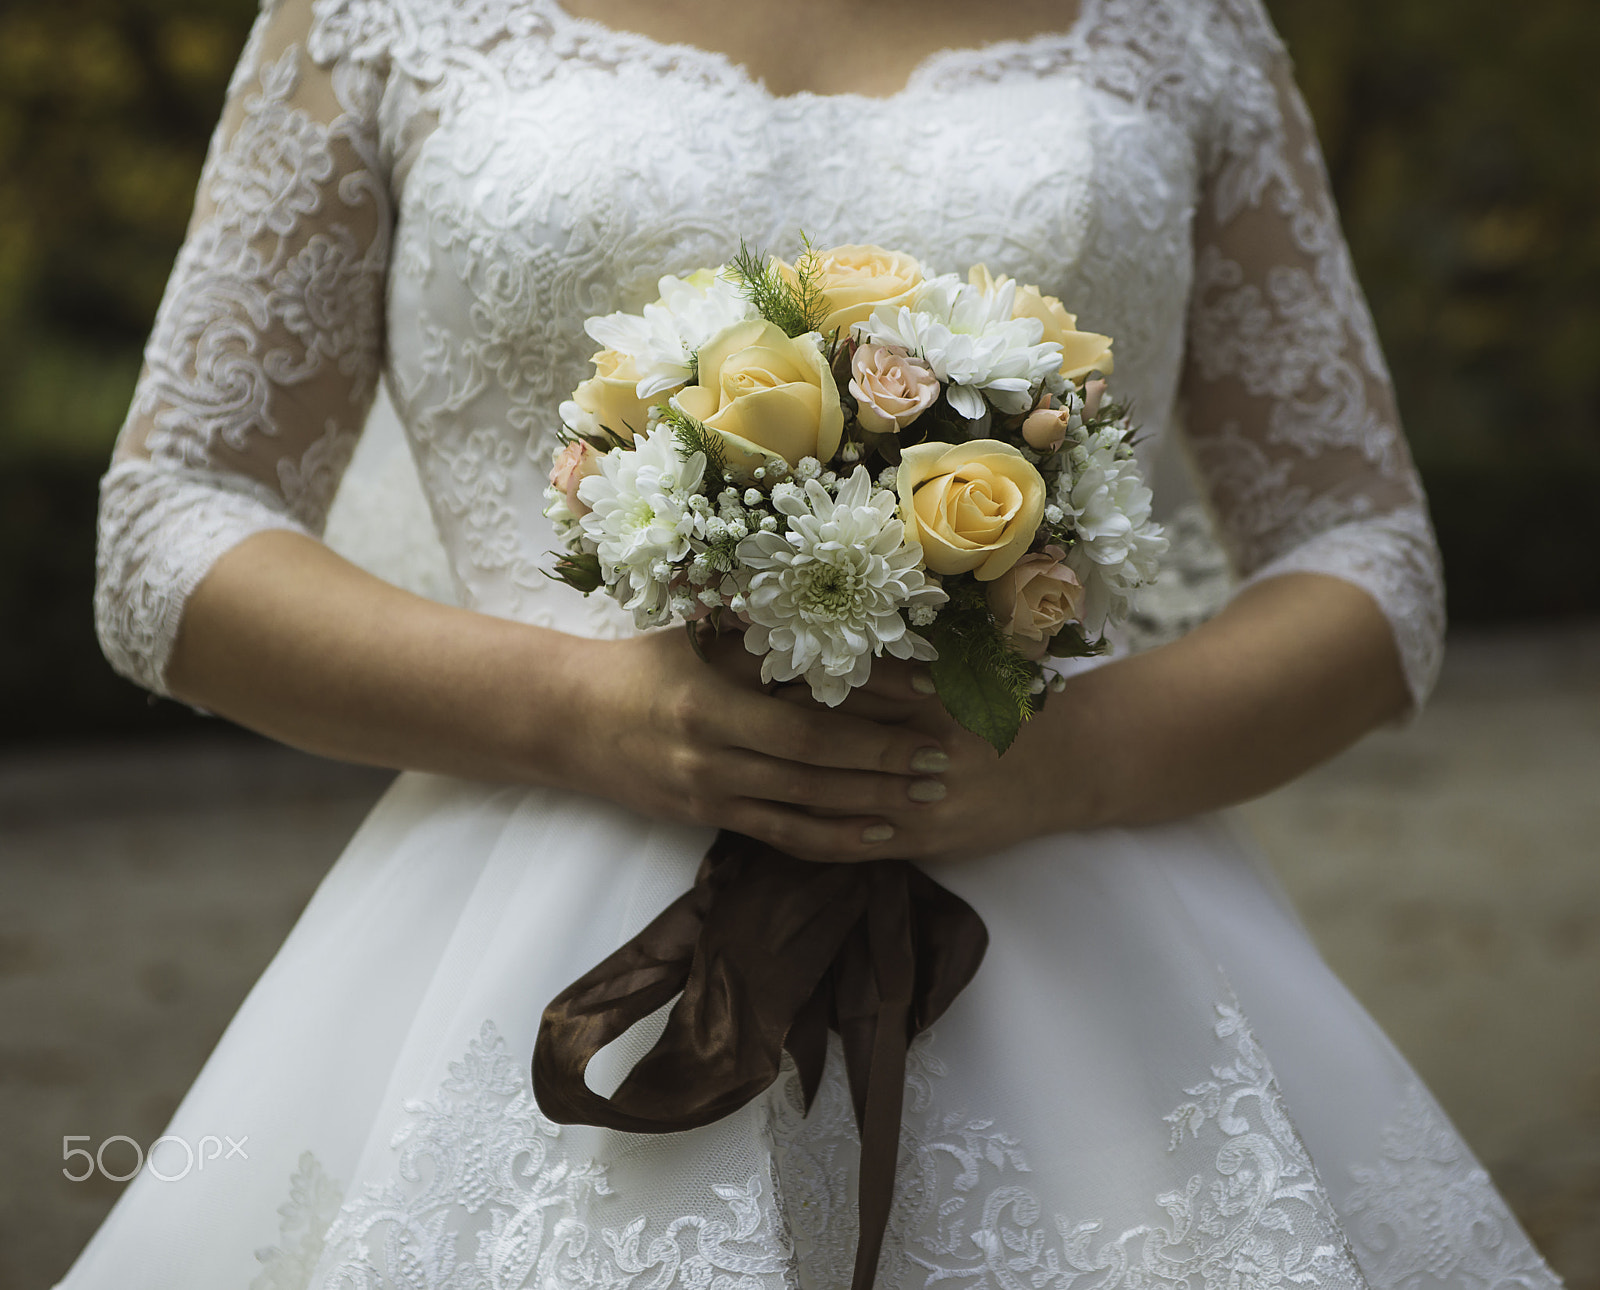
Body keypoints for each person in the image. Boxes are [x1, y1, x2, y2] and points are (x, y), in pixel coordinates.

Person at [74, 0, 1559, 1285]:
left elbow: (1369, 555)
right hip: (514, 915)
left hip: (1085, 918)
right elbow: (169, 522)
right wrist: (583, 712)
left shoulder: (1183, 29)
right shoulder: (377, 19)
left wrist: (1067, 756)